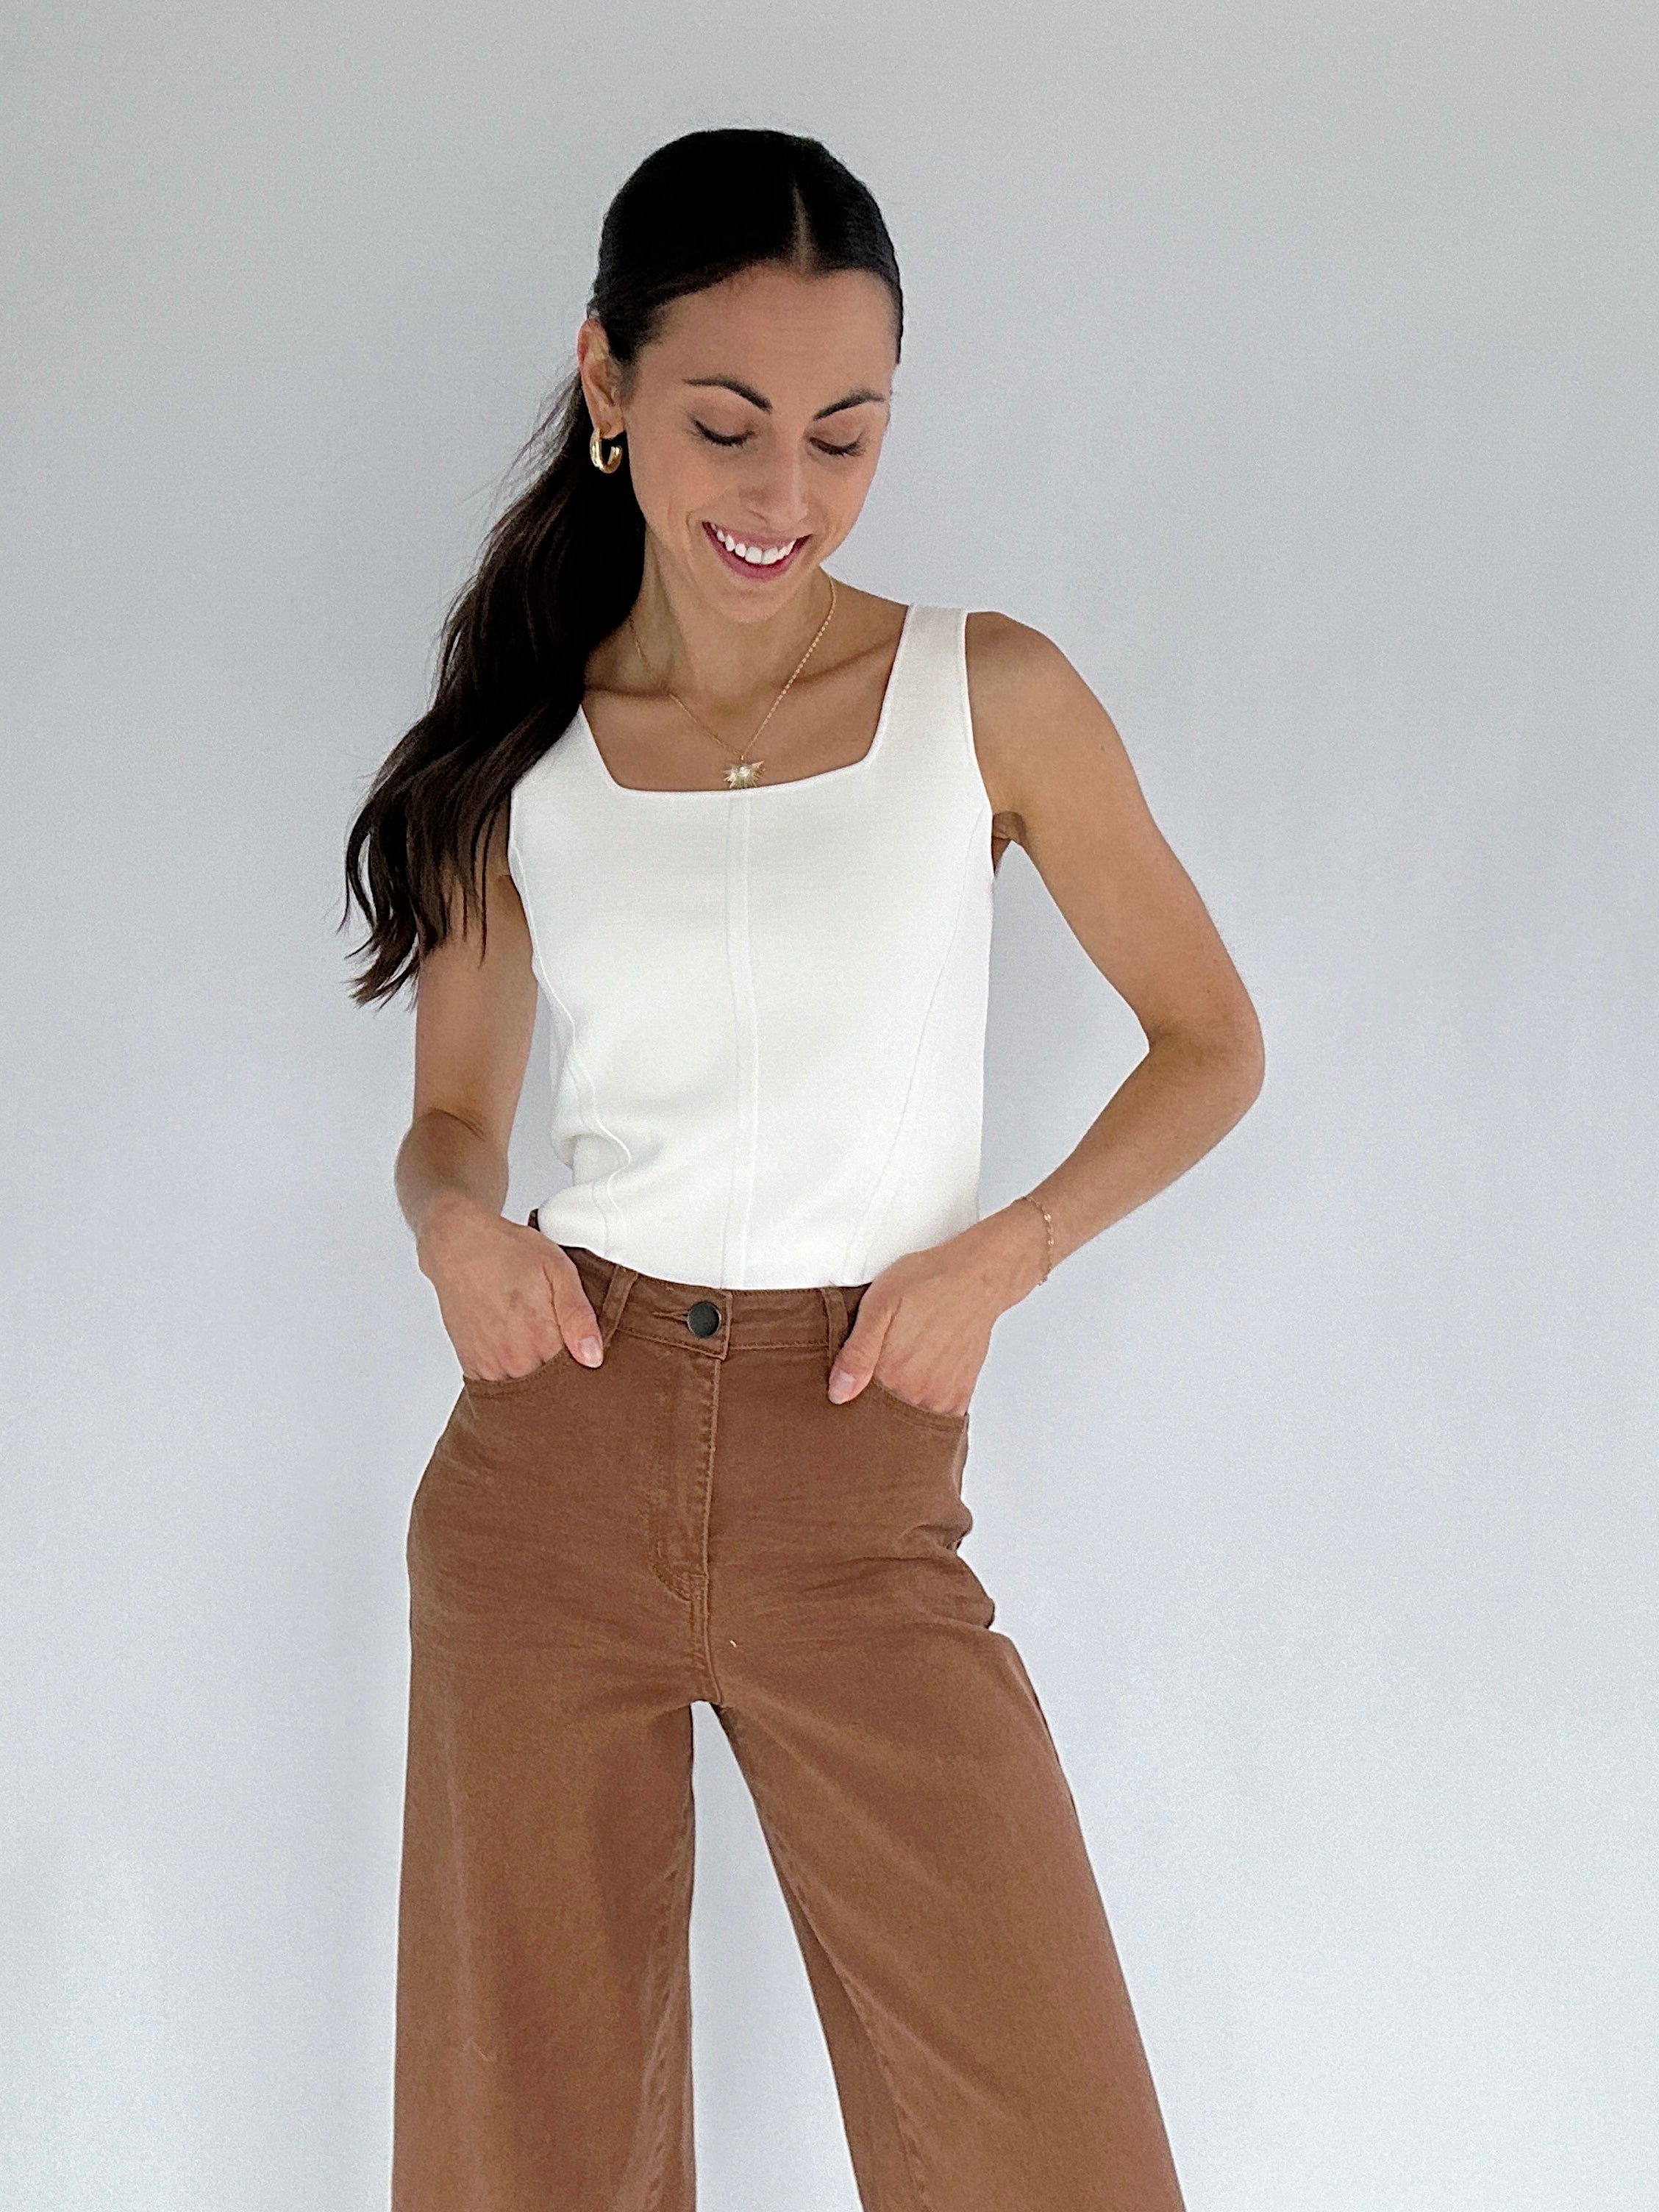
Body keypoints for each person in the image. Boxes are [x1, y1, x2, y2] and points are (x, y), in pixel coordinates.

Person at [342, 125, 1261, 2212]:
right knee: (526, 2163)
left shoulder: (986, 693)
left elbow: (1216, 1045)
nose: (786, 496)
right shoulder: (523, 748)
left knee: (1055, 2152)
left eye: (845, 436)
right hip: (544, 1466)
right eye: (728, 426)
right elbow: (453, 1120)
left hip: (857, 1458)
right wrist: (449, 1229)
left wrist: (1000, 1258)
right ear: (607, 384)